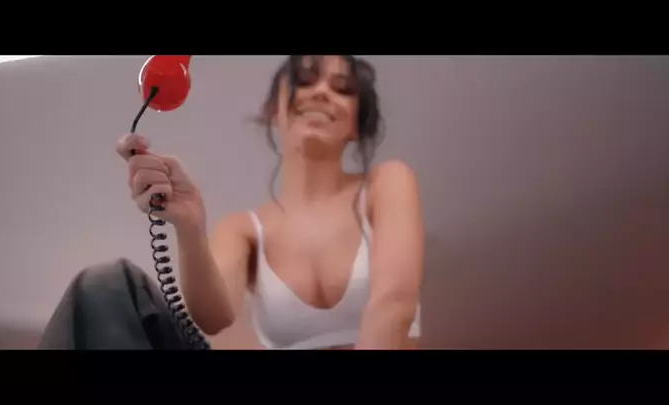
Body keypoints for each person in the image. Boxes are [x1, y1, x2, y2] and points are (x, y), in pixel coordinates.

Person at [39, 55, 425, 350]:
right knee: (105, 288)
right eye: (305, 81)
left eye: (343, 88)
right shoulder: (244, 228)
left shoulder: (387, 183)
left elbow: (393, 304)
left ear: (357, 123)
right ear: (274, 110)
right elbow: (211, 318)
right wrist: (190, 223)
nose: (322, 91)